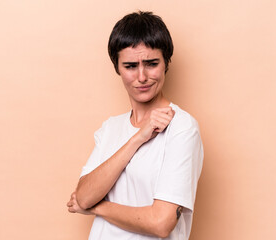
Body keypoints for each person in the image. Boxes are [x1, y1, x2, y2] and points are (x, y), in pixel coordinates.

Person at [67, 11, 203, 240]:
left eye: (151, 64)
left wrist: (96, 208)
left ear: (166, 63)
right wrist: (138, 137)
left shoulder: (182, 127)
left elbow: (161, 223)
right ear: (117, 68)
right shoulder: (110, 128)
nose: (142, 76)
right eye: (130, 66)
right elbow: (83, 196)